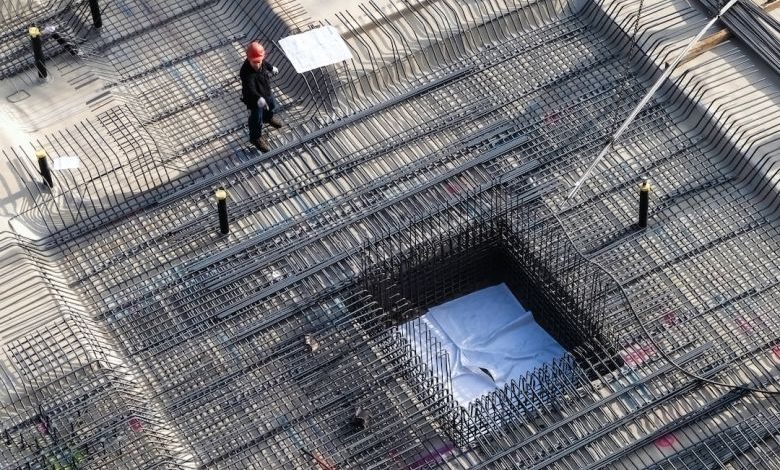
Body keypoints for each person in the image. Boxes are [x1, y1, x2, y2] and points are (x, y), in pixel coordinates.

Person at [240, 41, 283, 152]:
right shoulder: (245, 72)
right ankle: (255, 138)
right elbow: (250, 89)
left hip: (265, 91)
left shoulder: (260, 60)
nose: (257, 64)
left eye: (259, 61)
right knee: (256, 119)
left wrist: (271, 68)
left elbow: (264, 63)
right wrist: (259, 99)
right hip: (254, 100)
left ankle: (268, 118)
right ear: (248, 58)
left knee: (271, 105)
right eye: (254, 62)